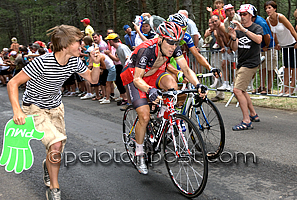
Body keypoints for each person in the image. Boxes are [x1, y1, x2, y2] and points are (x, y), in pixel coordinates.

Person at [7, 24, 101, 200]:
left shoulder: (73, 61)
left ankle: (47, 166)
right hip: (34, 107)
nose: (81, 45)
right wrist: (17, 111)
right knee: (56, 144)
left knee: (56, 149)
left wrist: (96, 61)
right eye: (78, 42)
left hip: (56, 107)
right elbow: (12, 83)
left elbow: (93, 79)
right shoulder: (42, 62)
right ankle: (54, 188)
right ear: (65, 45)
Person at [120, 21, 208, 174]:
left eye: (176, 43)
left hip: (155, 73)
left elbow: (186, 70)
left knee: (172, 86)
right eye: (170, 43)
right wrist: (150, 91)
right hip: (135, 77)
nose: (173, 47)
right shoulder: (146, 50)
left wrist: (198, 85)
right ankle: (139, 153)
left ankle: (163, 118)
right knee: (145, 116)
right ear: (160, 39)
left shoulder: (174, 48)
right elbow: (137, 79)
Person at [228, 4, 263, 131]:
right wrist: (233, 37)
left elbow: (259, 40)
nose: (242, 17)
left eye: (245, 14)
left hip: (251, 63)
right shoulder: (238, 30)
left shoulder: (256, 27)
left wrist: (244, 30)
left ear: (251, 16)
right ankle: (253, 114)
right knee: (242, 91)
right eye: (241, 14)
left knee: (237, 90)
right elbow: (235, 48)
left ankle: (246, 120)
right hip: (241, 63)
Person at [265, 1, 297, 96]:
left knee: (294, 66)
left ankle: (292, 87)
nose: (267, 10)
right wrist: (277, 43)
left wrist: (296, 41)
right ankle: (285, 88)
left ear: (275, 9)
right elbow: (273, 33)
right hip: (283, 45)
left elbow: (291, 29)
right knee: (286, 66)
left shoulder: (281, 17)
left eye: (269, 7)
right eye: (266, 8)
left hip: (292, 43)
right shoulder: (268, 20)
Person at [252, 6, 277, 95]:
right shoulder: (251, 22)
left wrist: (266, 45)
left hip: (269, 47)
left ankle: (268, 88)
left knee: (270, 68)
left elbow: (267, 36)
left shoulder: (260, 22)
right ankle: (261, 86)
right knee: (262, 68)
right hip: (260, 48)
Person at [104, 33, 131, 105]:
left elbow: (128, 57)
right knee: (122, 83)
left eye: (109, 40)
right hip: (124, 68)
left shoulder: (122, 47)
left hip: (128, 68)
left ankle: (129, 101)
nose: (108, 42)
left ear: (112, 41)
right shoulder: (118, 48)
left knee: (127, 85)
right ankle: (127, 100)